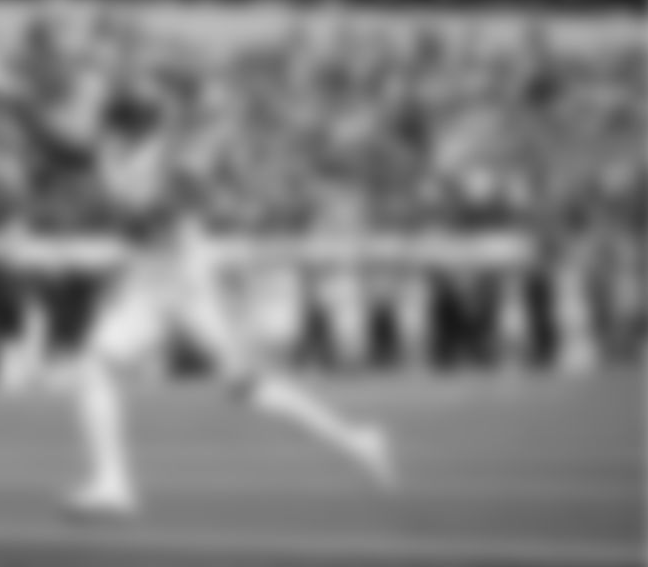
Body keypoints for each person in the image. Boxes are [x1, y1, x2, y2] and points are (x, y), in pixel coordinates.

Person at [63, 208, 397, 517]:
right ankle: (357, 441)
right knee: (245, 385)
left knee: (244, 384)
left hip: (173, 266)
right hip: (169, 263)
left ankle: (114, 483)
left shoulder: (146, 160)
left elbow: (150, 215)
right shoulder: (137, 158)